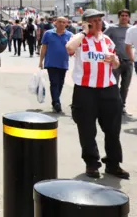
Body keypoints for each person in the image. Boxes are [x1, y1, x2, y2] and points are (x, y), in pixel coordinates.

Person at [66, 9, 129, 180]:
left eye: (100, 20)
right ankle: (92, 164)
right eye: (93, 21)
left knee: (113, 129)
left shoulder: (107, 40)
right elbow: (69, 48)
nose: (98, 24)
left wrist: (115, 61)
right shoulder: (80, 40)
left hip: (108, 89)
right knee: (87, 129)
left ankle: (113, 164)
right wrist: (85, 31)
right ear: (86, 22)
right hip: (85, 90)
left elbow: (115, 64)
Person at [39, 16, 73, 113]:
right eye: (60, 22)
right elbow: (44, 47)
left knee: (60, 83)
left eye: (64, 22)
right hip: (51, 62)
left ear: (67, 24)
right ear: (55, 23)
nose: (62, 24)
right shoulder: (48, 34)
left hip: (63, 63)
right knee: (54, 82)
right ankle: (57, 102)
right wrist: (41, 61)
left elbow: (73, 48)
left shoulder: (70, 35)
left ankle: (55, 100)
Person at [104, 9, 133, 116]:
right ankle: (114, 105)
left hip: (129, 61)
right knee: (114, 84)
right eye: (122, 15)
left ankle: (122, 106)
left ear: (129, 17)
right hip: (116, 61)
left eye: (126, 15)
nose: (124, 17)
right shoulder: (112, 28)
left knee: (125, 85)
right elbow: (103, 40)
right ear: (119, 17)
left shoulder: (132, 29)